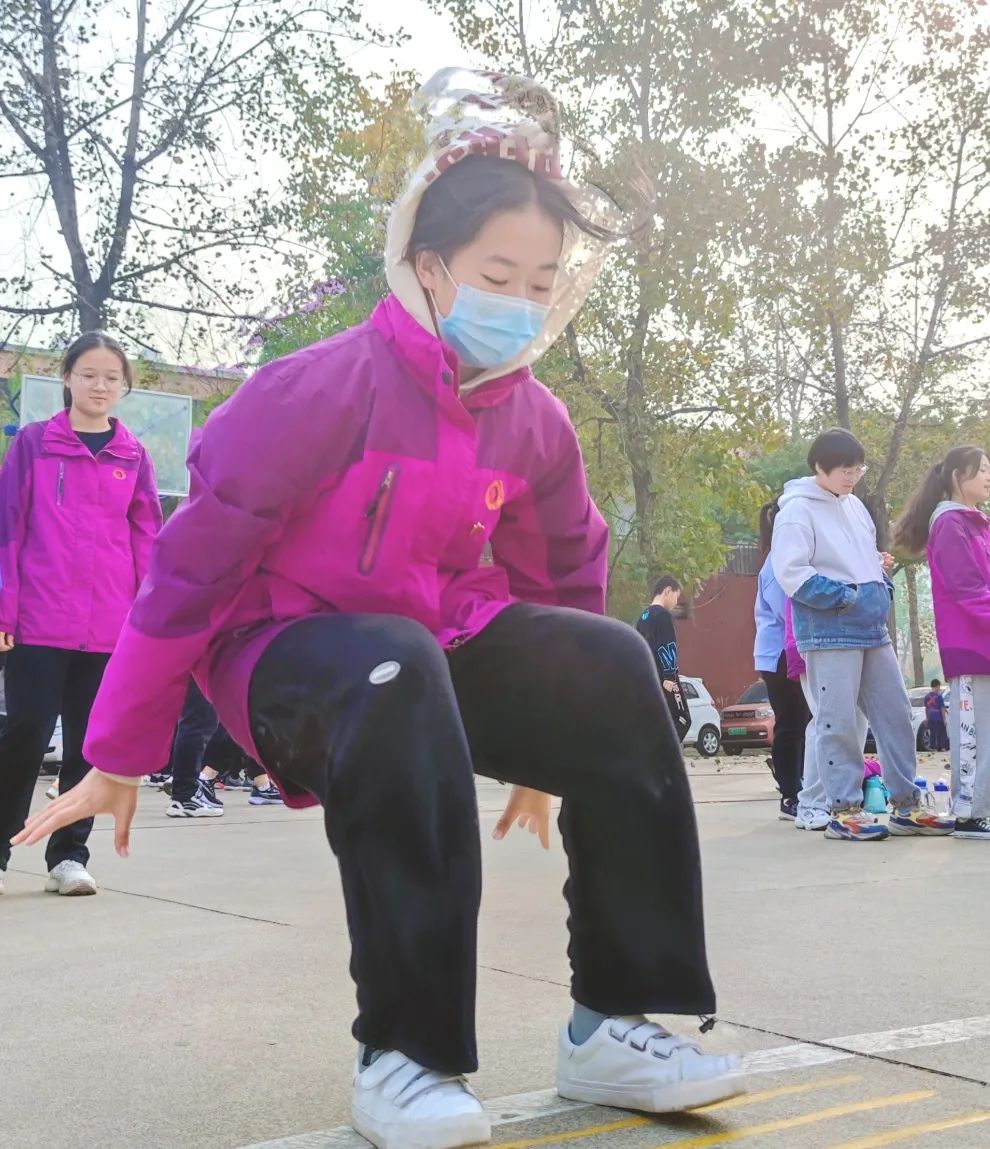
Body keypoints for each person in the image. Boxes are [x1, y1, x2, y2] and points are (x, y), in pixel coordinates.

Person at [16, 70, 744, 1148]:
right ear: (429, 265)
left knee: (610, 660)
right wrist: (118, 750)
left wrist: (554, 755)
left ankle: (612, 1024)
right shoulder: (315, 392)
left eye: (544, 281)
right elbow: (187, 576)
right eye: (499, 273)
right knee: (394, 661)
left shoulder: (533, 423)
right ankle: (404, 1055)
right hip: (289, 662)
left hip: (437, 645)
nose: (523, 301)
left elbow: (567, 583)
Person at [0, 331, 161, 896]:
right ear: (67, 378)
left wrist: (148, 622)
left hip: (109, 627)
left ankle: (67, 856)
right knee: (25, 730)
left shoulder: (133, 455)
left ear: (124, 387)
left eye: (111, 377)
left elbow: (146, 539)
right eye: (89, 374)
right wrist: (4, 610)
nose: (99, 386)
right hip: (38, 621)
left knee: (92, 744)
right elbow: (7, 528)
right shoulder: (36, 445)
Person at [771, 427, 953, 842]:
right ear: (820, 466)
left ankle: (907, 805)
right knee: (837, 721)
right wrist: (847, 596)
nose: (851, 477)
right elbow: (792, 573)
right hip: (830, 630)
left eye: (857, 469)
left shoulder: (854, 506)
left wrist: (878, 579)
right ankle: (844, 809)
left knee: (896, 715)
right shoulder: (796, 511)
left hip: (871, 628)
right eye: (844, 470)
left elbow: (857, 557)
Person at [894, 445, 990, 840]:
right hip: (971, 647)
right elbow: (968, 589)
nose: (988, 476)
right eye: (981, 469)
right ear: (956, 476)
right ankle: (968, 812)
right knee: (974, 734)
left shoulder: (975, 521)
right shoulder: (950, 524)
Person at [753, 500, 808, 821]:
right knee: (792, 723)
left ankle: (797, 786)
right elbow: (786, 613)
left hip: (785, 652)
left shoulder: (782, 560)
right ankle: (790, 794)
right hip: (780, 654)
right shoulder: (776, 565)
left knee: (801, 722)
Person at [635, 576, 691, 744]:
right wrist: (669, 676)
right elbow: (667, 646)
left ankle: (651, 760)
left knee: (656, 722)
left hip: (647, 680)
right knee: (682, 719)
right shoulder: (663, 616)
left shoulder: (643, 617)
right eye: (675, 596)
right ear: (667, 591)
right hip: (664, 679)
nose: (675, 602)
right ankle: (665, 760)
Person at [923, 679, 950, 753]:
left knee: (933, 732)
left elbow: (927, 708)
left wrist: (927, 718)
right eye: (939, 686)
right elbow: (941, 707)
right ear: (937, 686)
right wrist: (944, 719)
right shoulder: (939, 696)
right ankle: (942, 747)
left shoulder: (927, 697)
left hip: (931, 717)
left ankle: (933, 747)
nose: (939, 688)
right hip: (938, 716)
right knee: (942, 732)